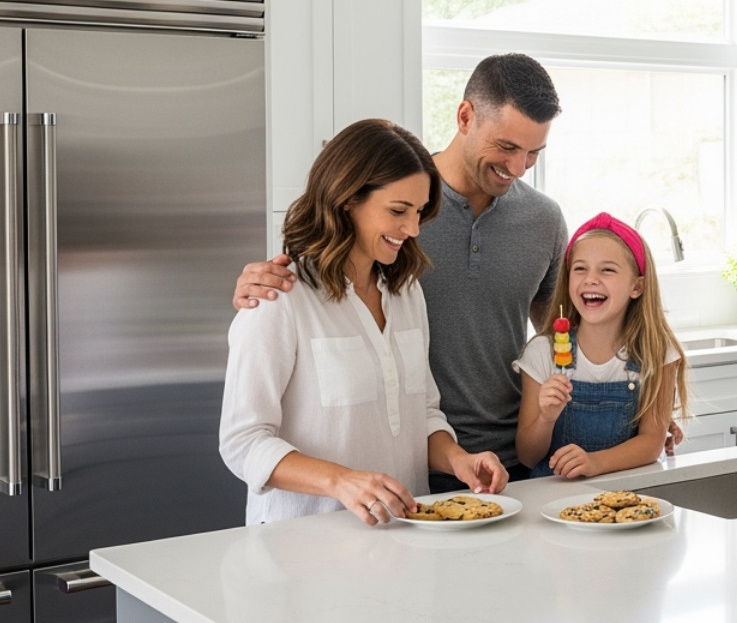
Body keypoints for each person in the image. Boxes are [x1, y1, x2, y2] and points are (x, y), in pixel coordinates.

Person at [233, 54, 679, 492]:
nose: (518, 167)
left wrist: (644, 411)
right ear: (465, 116)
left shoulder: (538, 222)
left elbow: (571, 336)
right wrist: (255, 289)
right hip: (413, 471)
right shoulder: (391, 214)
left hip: (513, 460)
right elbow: (313, 283)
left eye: (533, 153)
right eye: (506, 147)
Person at [219, 119, 508, 525]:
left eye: (419, 212)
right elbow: (242, 441)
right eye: (397, 211)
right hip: (299, 552)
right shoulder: (279, 297)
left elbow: (421, 412)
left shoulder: (406, 293)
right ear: (347, 199)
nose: (411, 229)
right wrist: (341, 482)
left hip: (403, 536)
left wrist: (459, 459)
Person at [514, 213, 689, 479]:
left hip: (626, 501)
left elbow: (651, 443)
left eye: (607, 270)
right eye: (580, 268)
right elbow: (527, 455)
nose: (591, 279)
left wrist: (594, 463)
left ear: (637, 286)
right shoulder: (541, 353)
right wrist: (546, 418)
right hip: (551, 501)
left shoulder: (656, 352)